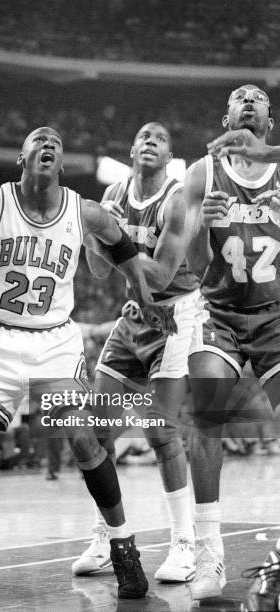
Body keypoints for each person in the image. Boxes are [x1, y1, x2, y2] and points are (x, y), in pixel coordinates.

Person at [0, 126, 176, 597]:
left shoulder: (83, 211)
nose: (48, 144)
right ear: (20, 158)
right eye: (37, 141)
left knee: (84, 442)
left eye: (56, 144)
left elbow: (123, 246)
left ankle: (124, 545)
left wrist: (143, 296)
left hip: (53, 344)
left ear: (61, 165)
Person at [72, 122, 200, 582]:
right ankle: (107, 533)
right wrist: (92, 230)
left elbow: (162, 276)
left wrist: (114, 238)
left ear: (168, 156)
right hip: (134, 316)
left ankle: (184, 543)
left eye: (160, 139)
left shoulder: (177, 198)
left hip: (176, 314)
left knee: (161, 433)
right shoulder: (111, 198)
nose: (150, 141)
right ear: (130, 147)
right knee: (98, 429)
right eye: (143, 135)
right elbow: (96, 268)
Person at [184, 84, 280, 609]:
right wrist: (206, 223)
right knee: (206, 414)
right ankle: (207, 551)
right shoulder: (203, 172)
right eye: (239, 98)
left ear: (270, 117)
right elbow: (191, 262)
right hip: (218, 311)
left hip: (275, 312)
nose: (248, 101)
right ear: (226, 116)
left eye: (258, 97)